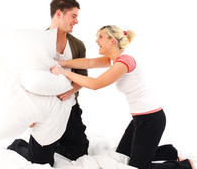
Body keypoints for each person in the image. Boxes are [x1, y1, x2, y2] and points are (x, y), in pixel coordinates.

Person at [50, 25, 194, 169]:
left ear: (112, 41)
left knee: (137, 167)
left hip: (151, 119)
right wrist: (61, 63)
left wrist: (64, 72)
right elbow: (88, 63)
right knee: (123, 155)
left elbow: (96, 84)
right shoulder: (114, 60)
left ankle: (185, 165)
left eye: (100, 37)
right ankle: (168, 152)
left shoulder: (124, 62)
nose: (96, 40)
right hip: (139, 119)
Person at [8, 0, 89, 166]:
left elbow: (83, 77)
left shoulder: (78, 45)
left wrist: (70, 91)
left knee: (81, 154)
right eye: (73, 16)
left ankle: (58, 143)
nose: (77, 21)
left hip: (69, 106)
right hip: (44, 109)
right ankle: (18, 145)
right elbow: (25, 79)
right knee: (40, 162)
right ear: (59, 14)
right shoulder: (37, 42)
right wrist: (30, 113)